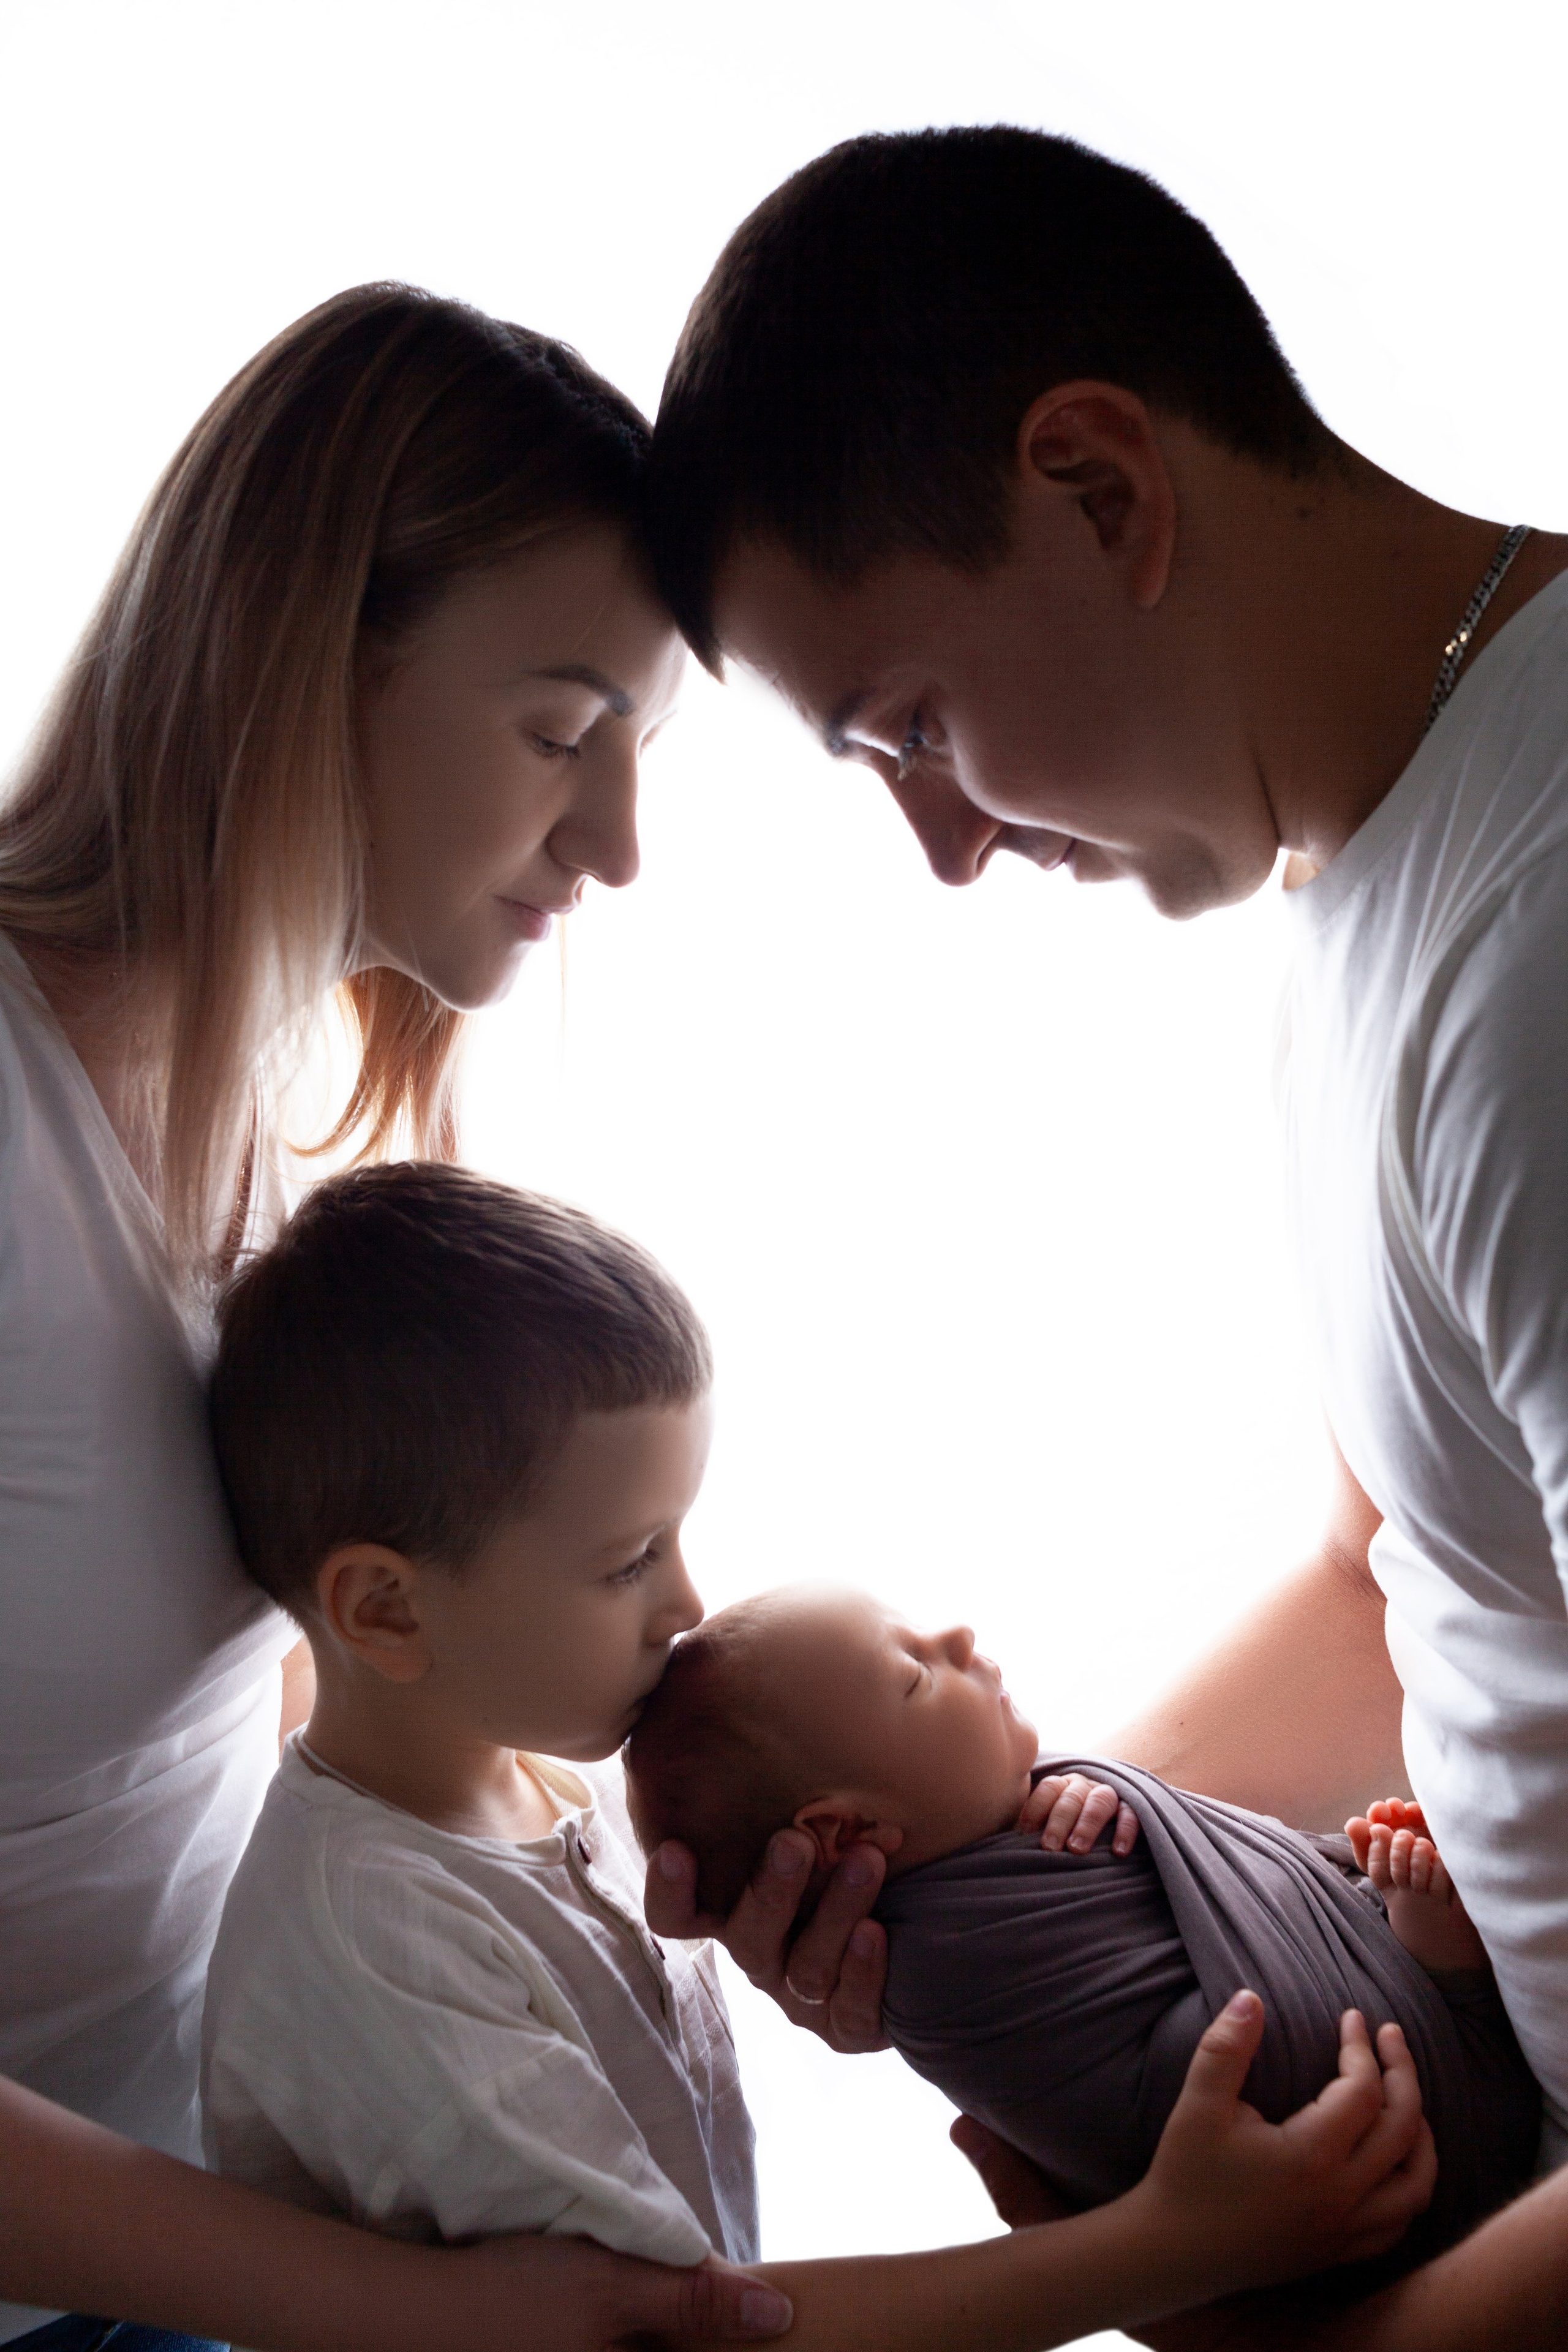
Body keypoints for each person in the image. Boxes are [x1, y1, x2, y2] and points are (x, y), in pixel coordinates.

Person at [636, 124, 1568, 2342]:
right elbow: (1400, 1590)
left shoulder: (1541, 953)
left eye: (917, 729)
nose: (947, 847)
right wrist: (1011, 1873)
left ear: (1102, 490)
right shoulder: (1379, 886)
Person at [0, 278, 793, 2352]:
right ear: (300, 663)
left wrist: (584, 1880)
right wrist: (413, 2313)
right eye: (561, 733)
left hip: (198, 2240)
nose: (617, 842)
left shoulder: (276, 1130)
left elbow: (308, 1718)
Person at [199, 1157, 1438, 2345]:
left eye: (676, 1537)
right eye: (625, 1561)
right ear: (386, 1612)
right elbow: (668, 2330)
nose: (685, 1601)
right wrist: (1171, 2247)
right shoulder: (381, 1941)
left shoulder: (553, 1787)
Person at [624, 1588, 1535, 2277]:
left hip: (1342, 2225)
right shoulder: (948, 1968)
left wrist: (1108, 1796)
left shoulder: (1010, 1830)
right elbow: (1121, 2084)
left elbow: (1147, 1878)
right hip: (1379, 2153)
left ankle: (1419, 1964)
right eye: (913, 1674)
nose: (958, 1639)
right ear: (847, 1834)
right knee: (1253, 2063)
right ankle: (1437, 1980)